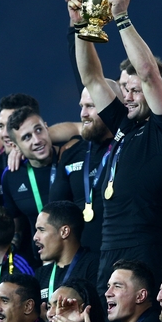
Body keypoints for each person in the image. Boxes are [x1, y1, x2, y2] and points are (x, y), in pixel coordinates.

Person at [69, 0, 162, 296]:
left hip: (147, 250)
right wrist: (86, 22)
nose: (129, 96)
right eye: (125, 89)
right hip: (109, 251)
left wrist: (121, 17)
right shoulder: (124, 124)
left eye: (136, 89)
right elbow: (91, 77)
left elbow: (148, 71)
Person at [49, 87, 114, 253]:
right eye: (82, 106)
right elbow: (55, 213)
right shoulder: (71, 154)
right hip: (81, 259)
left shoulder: (128, 146)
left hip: (121, 253)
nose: (83, 113)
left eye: (90, 106)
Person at [2, 106, 61, 266]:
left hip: (80, 255)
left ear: (47, 128)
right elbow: (17, 226)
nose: (37, 140)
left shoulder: (69, 157)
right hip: (43, 262)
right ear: (15, 146)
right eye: (27, 137)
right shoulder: (11, 176)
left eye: (39, 130)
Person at [33, 201, 99, 308]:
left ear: (64, 232)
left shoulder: (94, 266)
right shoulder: (41, 274)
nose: (35, 237)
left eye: (41, 230)